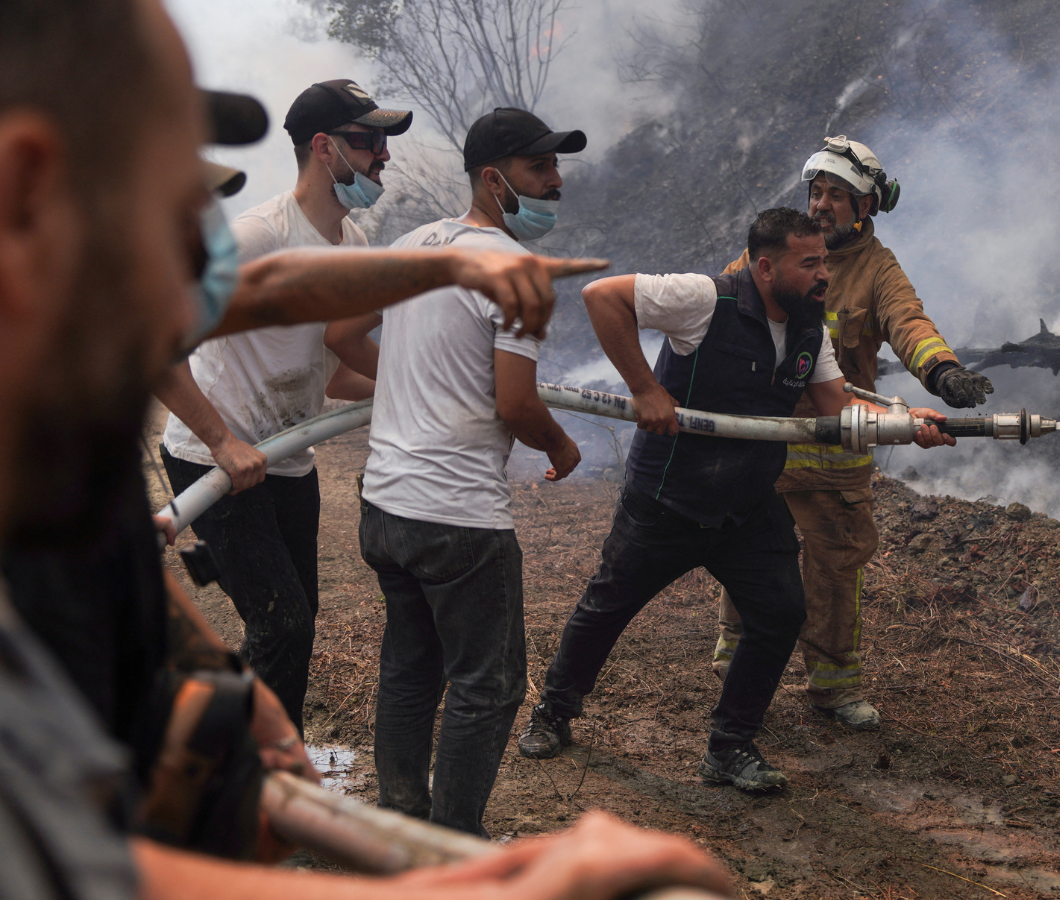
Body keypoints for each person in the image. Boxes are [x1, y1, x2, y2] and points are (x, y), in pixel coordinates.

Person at [0, 0, 730, 896]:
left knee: (294, 633)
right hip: (273, 468)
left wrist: (452, 264)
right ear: (28, 192)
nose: (207, 264)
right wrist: (468, 886)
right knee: (312, 630)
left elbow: (271, 294)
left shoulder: (58, 451)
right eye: (176, 210)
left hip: (302, 463)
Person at [516, 208, 955, 791]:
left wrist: (904, 421)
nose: (825, 273)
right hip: (668, 497)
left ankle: (729, 746)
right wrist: (646, 389)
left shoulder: (809, 329)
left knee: (779, 614)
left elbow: (835, 405)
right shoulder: (703, 298)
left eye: (825, 259)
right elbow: (602, 296)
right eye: (811, 263)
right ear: (766, 267)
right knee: (608, 607)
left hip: (747, 504)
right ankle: (553, 712)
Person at [347, 106, 585, 837]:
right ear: (494, 179)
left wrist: (412, 388)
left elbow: (339, 334)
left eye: (556, 165)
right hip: (457, 520)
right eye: (539, 168)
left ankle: (400, 821)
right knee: (489, 686)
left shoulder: (415, 244)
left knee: (411, 667)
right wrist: (560, 447)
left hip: (386, 508)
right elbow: (516, 404)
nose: (555, 181)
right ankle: (450, 847)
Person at [156, 77, 415, 732]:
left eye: (384, 141)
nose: (382, 154)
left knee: (295, 626)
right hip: (215, 462)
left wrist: (409, 390)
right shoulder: (256, 241)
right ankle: (249, 781)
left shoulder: (352, 247)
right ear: (324, 148)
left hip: (286, 464)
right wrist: (221, 441)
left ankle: (267, 763)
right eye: (367, 141)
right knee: (284, 626)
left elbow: (328, 378)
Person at [711, 136, 994, 729]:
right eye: (816, 192)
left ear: (864, 208)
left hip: (835, 459)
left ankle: (834, 688)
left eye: (837, 196)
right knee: (748, 559)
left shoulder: (877, 269)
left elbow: (909, 323)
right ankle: (736, 669)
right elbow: (719, 303)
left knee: (835, 572)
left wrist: (943, 373)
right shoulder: (779, 250)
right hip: (762, 447)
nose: (821, 206)